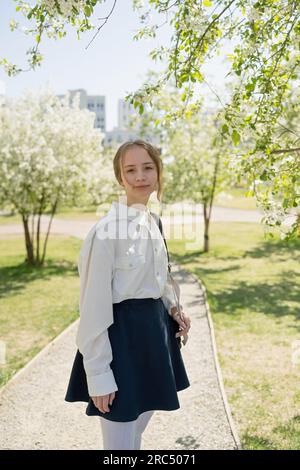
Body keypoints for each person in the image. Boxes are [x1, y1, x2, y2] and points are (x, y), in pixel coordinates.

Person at [65, 139, 191, 450]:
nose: (140, 176)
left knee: (136, 435)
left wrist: (174, 309)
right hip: (120, 345)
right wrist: (98, 375)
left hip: (155, 341)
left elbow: (158, 279)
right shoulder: (105, 232)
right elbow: (92, 307)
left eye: (148, 167)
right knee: (119, 446)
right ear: (120, 178)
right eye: (130, 170)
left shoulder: (154, 222)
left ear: (158, 172)